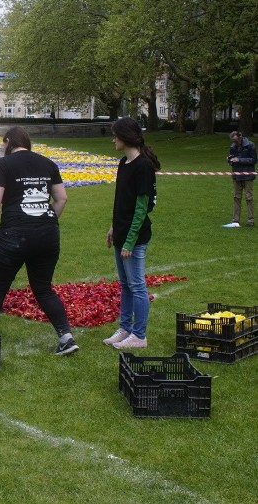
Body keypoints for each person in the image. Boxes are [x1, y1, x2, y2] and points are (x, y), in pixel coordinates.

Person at [0, 126, 79, 355]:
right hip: (47, 235)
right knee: (43, 288)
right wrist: (46, 219)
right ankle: (66, 337)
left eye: (3, 144)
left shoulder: (2, 165)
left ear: (8, 142)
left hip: (14, 234)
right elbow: (61, 198)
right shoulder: (47, 163)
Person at [104, 118, 161, 349]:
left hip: (135, 238)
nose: (113, 139)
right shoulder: (123, 163)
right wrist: (113, 227)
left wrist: (129, 241)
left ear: (125, 137)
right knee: (125, 285)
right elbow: (121, 201)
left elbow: (141, 208)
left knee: (137, 285)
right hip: (122, 234)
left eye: (115, 135)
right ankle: (125, 328)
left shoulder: (143, 166)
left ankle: (139, 335)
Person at [223, 130, 255, 228]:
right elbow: (233, 159)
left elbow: (254, 160)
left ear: (240, 137)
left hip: (248, 175)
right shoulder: (233, 147)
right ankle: (235, 220)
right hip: (237, 175)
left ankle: (250, 220)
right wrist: (230, 160)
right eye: (233, 141)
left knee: (249, 197)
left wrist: (240, 159)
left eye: (236, 141)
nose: (234, 143)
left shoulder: (250, 145)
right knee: (236, 197)